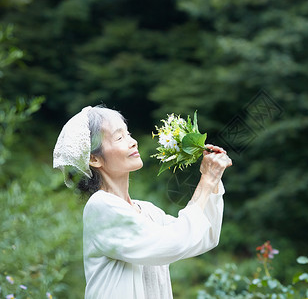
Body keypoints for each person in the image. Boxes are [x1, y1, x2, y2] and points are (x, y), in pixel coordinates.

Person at [53, 105, 232, 299]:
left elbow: (204, 236)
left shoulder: (147, 211)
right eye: (120, 137)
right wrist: (206, 180)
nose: (133, 142)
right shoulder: (101, 206)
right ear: (94, 159)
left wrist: (213, 181)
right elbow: (174, 242)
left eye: (128, 134)